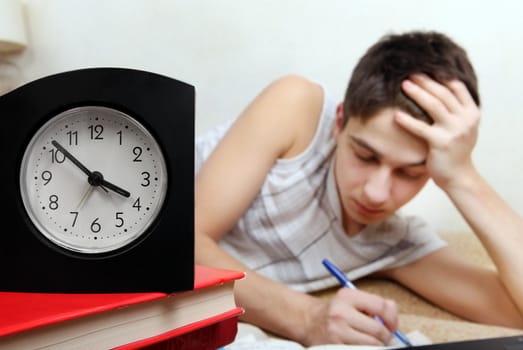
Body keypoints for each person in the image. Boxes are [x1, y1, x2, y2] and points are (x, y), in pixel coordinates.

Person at [194, 30, 523, 346]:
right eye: (365, 156)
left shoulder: (393, 242)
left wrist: (463, 177)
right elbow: (180, 243)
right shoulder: (298, 109)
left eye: (410, 173)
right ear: (339, 121)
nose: (376, 194)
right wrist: (306, 318)